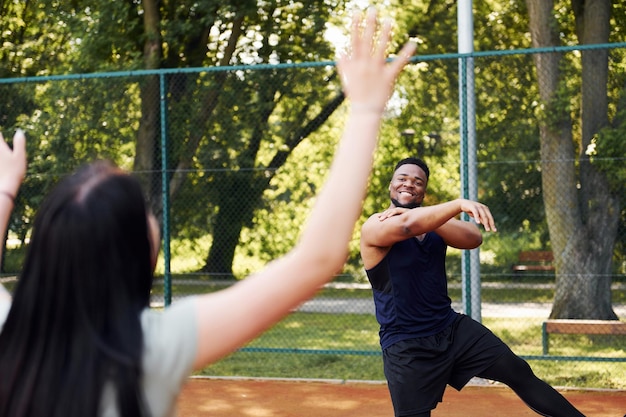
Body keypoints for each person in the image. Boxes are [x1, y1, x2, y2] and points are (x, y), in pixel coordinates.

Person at [0, 8, 416, 417]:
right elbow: (317, 259)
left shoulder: (9, 332)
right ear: (136, 252)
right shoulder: (155, 347)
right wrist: (364, 109)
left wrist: (4, 191)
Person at [359, 157, 586, 417]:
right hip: (406, 345)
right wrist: (457, 204)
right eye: (402, 178)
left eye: (417, 181)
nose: (409, 184)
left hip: (451, 329)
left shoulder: (435, 226)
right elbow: (408, 226)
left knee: (518, 372)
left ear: (423, 190)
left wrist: (430, 216)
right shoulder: (375, 226)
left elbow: (473, 238)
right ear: (391, 185)